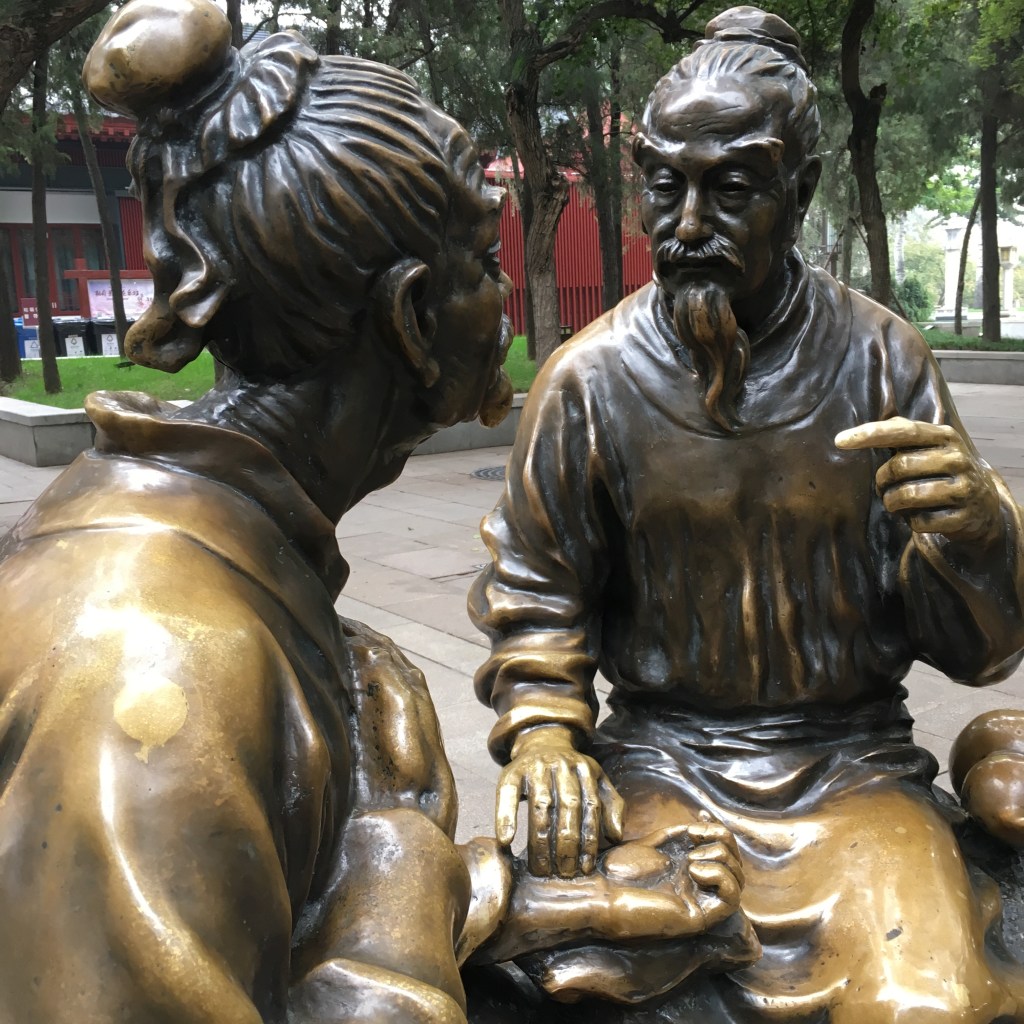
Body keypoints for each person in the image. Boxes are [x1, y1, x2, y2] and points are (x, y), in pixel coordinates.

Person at [469, 6, 1024, 1020]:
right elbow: (536, 593)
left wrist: (982, 535)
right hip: (663, 760)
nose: (683, 227)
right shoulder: (586, 381)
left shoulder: (880, 359)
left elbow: (978, 655)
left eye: (729, 190)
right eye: (663, 186)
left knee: (924, 1000)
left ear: (798, 192)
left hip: (852, 766)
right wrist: (548, 735)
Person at [0, 2, 513, 1021]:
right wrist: (397, 856)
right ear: (411, 319)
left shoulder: (225, 570)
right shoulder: (151, 662)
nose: (502, 302)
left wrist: (525, 895)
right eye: (486, 266)